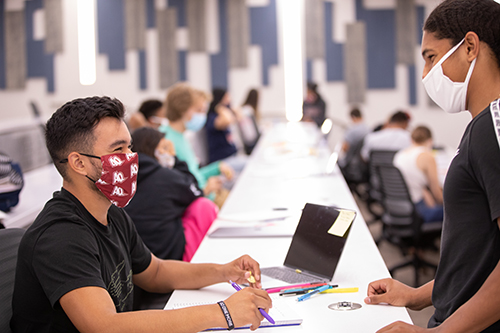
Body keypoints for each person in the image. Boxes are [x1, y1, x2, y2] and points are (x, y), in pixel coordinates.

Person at [10, 96, 272, 332]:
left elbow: (155, 272)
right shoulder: (60, 236)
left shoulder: (112, 213)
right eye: (118, 150)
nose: (131, 158)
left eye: (130, 147)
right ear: (78, 163)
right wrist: (222, 313)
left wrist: (224, 271)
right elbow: (104, 326)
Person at [364, 1, 500, 332]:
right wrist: (417, 296)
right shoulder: (480, 126)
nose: (426, 74)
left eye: (431, 57)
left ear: (469, 47)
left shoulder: (491, 129)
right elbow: (473, 257)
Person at [124, 127, 217, 262]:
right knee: (203, 206)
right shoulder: (164, 176)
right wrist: (175, 160)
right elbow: (196, 191)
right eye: (165, 147)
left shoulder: (127, 179)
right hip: (172, 255)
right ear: (156, 150)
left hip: (143, 258)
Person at [160, 84, 234, 200]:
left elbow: (194, 175)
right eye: (198, 110)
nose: (202, 116)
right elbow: (173, 190)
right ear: (182, 110)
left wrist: (217, 168)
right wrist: (205, 190)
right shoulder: (166, 140)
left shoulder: (181, 136)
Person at [394, 126, 443, 223]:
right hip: (418, 210)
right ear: (430, 141)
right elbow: (436, 193)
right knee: (460, 211)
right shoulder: (427, 156)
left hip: (398, 206)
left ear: (411, 139)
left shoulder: (400, 154)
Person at [205, 88, 247, 171]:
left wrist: (231, 109)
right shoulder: (212, 118)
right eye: (226, 97)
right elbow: (227, 120)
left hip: (232, 156)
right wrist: (220, 108)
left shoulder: (223, 114)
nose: (229, 100)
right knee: (251, 164)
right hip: (222, 161)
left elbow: (240, 117)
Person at [238, 89, 261, 155]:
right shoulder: (247, 111)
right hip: (250, 144)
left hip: (251, 141)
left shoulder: (247, 109)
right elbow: (250, 133)